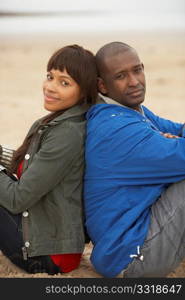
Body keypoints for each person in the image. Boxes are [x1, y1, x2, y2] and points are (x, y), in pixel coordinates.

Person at [84, 41, 185, 278]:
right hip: (130, 259)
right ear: (103, 85)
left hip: (140, 232)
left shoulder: (131, 111)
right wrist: (172, 144)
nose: (134, 81)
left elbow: (179, 129)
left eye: (137, 70)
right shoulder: (116, 129)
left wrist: (174, 140)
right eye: (120, 76)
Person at [0, 44, 97, 275]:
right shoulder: (57, 121)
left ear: (84, 91)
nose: (50, 87)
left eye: (64, 83)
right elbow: (23, 164)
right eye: (50, 76)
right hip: (42, 233)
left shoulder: (67, 134)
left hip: (48, 255)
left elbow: (17, 198)